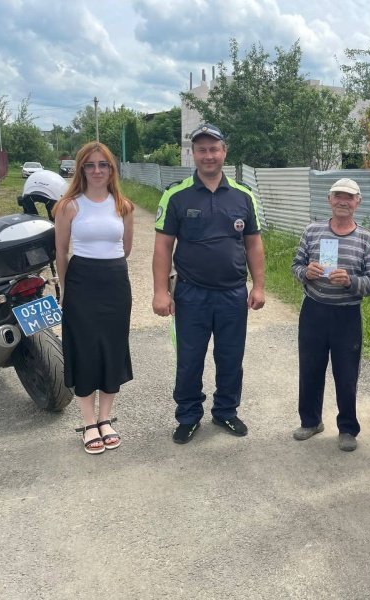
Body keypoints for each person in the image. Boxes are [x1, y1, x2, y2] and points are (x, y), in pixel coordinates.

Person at [152, 123, 265, 444]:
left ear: (224, 152)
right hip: (191, 293)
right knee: (190, 359)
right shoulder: (176, 194)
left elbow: (254, 244)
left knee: (230, 357)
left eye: (214, 149)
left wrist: (258, 286)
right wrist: (161, 292)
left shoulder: (244, 196)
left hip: (232, 294)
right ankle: (188, 416)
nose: (208, 155)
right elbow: (163, 247)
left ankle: (226, 412)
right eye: (201, 149)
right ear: (193, 154)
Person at [53, 142, 135, 454]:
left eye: (103, 164)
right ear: (81, 169)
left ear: (112, 169)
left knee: (111, 348)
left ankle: (105, 419)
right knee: (85, 350)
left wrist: (108, 265)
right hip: (81, 281)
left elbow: (125, 248)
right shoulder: (69, 205)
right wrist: (65, 288)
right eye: (90, 165)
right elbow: (60, 250)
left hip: (115, 282)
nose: (97, 170)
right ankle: (88, 422)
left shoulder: (122, 206)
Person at [291, 178, 370, 452]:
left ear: (358, 202)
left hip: (347, 316)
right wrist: (306, 272)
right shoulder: (312, 231)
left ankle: (348, 429)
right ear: (329, 200)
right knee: (310, 368)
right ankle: (311, 421)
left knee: (347, 373)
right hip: (314, 310)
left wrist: (350, 281)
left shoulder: (366, 238)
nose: (343, 201)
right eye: (338, 196)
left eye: (349, 197)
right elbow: (296, 265)